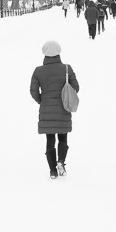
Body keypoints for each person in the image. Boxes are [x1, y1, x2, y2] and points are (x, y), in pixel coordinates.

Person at [30, 40, 80, 179]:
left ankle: (52, 170)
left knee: (50, 140)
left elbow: (33, 91)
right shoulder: (67, 69)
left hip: (46, 111)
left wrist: (42, 101)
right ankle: (61, 162)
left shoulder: (38, 71)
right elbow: (76, 87)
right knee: (63, 138)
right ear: (59, 52)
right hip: (64, 109)